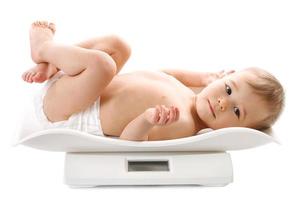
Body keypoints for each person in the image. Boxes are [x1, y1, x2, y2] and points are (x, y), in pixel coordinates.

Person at [22, 21, 285, 141]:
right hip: (78, 86)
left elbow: (130, 142)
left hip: (71, 111)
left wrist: (147, 120)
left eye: (237, 111)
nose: (222, 102)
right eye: (228, 89)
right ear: (226, 75)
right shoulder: (188, 93)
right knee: (118, 45)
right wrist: (203, 77)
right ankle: (56, 64)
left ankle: (44, 49)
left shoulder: (181, 124)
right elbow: (165, 74)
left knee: (104, 65)